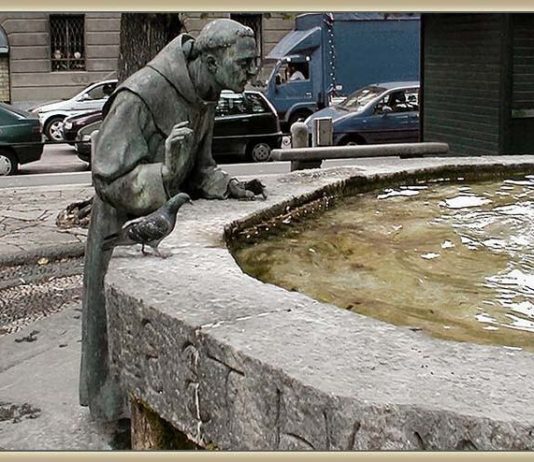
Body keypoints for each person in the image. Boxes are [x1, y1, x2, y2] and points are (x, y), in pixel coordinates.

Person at [80, 18, 266, 422]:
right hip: (120, 231)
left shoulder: (206, 91)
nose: (253, 72)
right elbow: (106, 178)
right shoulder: (141, 94)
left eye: (255, 62)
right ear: (212, 62)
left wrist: (227, 185)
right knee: (117, 340)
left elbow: (199, 168)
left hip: (160, 225)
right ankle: (119, 415)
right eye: (245, 63)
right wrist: (163, 174)